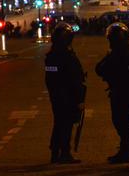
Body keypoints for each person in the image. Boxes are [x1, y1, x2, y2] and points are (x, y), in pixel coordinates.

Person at [95, 22, 129, 164]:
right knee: (121, 122)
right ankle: (126, 150)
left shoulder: (124, 54)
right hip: (122, 91)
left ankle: (126, 151)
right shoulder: (125, 53)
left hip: (123, 92)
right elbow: (100, 68)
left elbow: (100, 69)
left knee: (122, 122)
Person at [45, 22, 86, 164]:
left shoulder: (51, 56)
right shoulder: (68, 56)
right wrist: (79, 98)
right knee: (66, 125)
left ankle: (55, 151)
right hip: (68, 96)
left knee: (59, 123)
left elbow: (50, 78)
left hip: (56, 95)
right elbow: (74, 79)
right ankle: (65, 153)